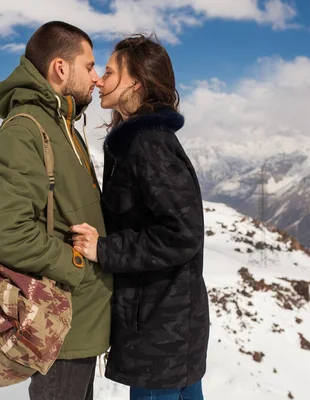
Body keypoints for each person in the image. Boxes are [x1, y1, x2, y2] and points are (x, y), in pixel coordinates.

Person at [72, 34, 209, 400]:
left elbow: (182, 232)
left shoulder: (147, 143)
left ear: (136, 82)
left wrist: (105, 250)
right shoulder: (139, 139)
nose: (100, 79)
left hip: (158, 331)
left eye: (110, 71)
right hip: (169, 326)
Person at [0, 21, 112, 400]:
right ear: (60, 68)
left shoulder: (63, 124)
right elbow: (9, 234)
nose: (98, 78)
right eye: (89, 66)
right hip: (60, 328)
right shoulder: (25, 129)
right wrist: (77, 268)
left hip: (81, 323)